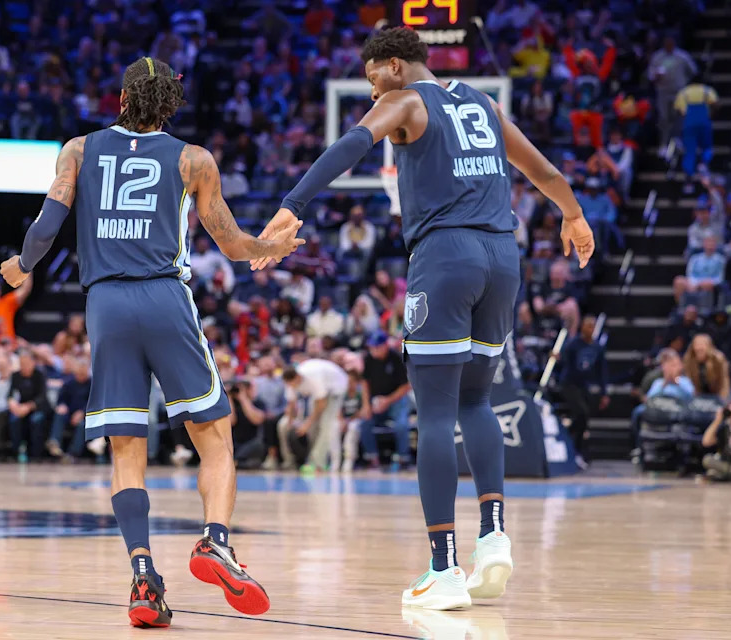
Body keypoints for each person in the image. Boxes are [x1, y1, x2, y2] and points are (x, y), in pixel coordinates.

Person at [250, 28, 594, 609]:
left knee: (434, 413)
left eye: (371, 79)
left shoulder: (406, 98)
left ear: (393, 66)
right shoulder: (484, 104)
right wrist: (573, 216)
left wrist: (291, 206)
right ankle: (493, 536)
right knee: (476, 401)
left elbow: (349, 147)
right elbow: (543, 170)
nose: (370, 93)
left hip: (446, 257)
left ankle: (444, 569)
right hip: (502, 258)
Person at [0, 57, 302, 626]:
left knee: (126, 449)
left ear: (120, 100)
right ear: (169, 107)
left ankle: (142, 575)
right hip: (165, 298)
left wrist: (19, 266)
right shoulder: (193, 160)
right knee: (214, 437)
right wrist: (270, 246)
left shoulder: (79, 150)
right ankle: (214, 540)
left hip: (106, 305)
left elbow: (46, 226)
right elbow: (232, 241)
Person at [557, 315, 609, 464]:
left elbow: (602, 372)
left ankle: (575, 447)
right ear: (582, 328)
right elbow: (564, 362)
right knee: (582, 412)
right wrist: (558, 358)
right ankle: (568, 437)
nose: (591, 329)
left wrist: (604, 393)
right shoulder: (574, 345)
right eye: (588, 326)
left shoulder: (597, 348)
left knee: (584, 417)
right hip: (569, 384)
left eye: (593, 326)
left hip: (583, 386)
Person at [280, 358, 347, 472]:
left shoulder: (313, 377)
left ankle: (318, 463)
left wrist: (307, 423)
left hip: (336, 388)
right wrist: (291, 421)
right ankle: (299, 460)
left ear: (298, 378)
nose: (292, 387)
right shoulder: (290, 381)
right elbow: (291, 403)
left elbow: (322, 403)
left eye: (294, 384)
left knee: (326, 424)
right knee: (308, 425)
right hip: (319, 395)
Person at [359, 331, 412, 470]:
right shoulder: (368, 359)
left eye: (376, 347)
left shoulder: (396, 358)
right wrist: (366, 405)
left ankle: (403, 458)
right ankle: (372, 457)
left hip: (395, 399)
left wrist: (387, 401)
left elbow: (406, 386)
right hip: (375, 400)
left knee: (401, 425)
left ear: (385, 346)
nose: (373, 350)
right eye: (371, 347)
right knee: (365, 422)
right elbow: (365, 383)